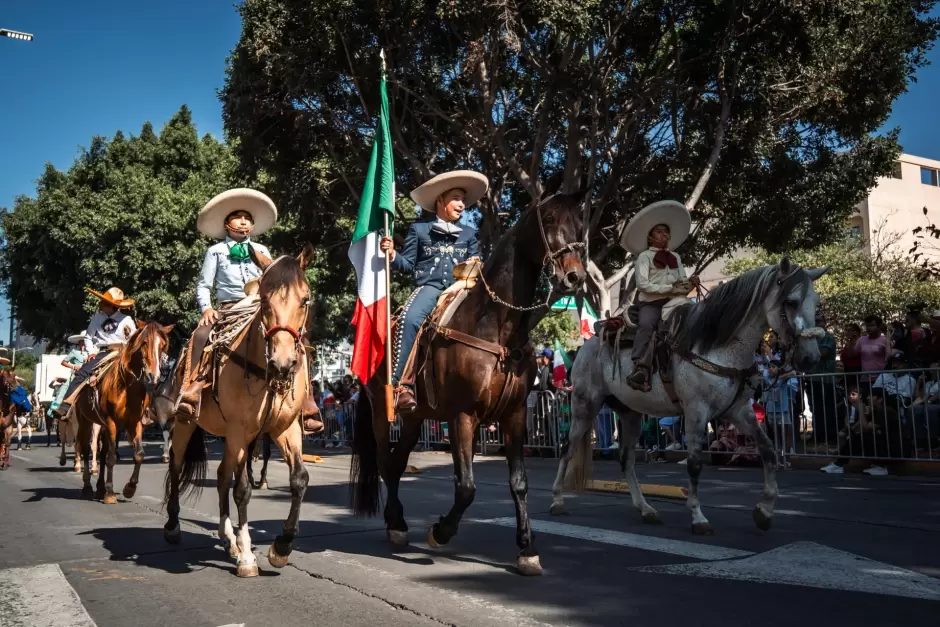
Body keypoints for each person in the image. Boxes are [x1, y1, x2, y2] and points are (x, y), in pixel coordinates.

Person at [177, 189, 322, 432]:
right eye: (238, 217)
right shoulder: (215, 251)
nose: (243, 221)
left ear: (252, 225)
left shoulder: (262, 250)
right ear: (227, 223)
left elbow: (275, 282)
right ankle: (193, 388)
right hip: (228, 308)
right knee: (202, 335)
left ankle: (306, 399)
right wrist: (207, 308)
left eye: (247, 218)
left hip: (258, 304)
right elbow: (203, 285)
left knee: (299, 338)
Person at [380, 170, 488, 413]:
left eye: (463, 199)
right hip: (430, 288)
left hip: (462, 288)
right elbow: (408, 265)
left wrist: (475, 263)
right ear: (440, 200)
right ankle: (401, 386)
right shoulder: (419, 230)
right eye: (456, 198)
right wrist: (392, 254)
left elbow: (476, 263)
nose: (461, 204)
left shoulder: (469, 233)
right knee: (408, 320)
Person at [619, 200, 699, 391]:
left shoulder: (675, 257)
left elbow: (681, 283)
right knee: (647, 325)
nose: (665, 235)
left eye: (666, 232)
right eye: (660, 231)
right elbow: (643, 285)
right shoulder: (644, 257)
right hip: (651, 304)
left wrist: (689, 284)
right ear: (650, 237)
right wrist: (671, 289)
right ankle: (640, 367)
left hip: (676, 302)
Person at [56, 287, 137, 417]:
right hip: (104, 353)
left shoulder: (126, 320)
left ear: (112, 306)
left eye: (104, 302)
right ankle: (66, 404)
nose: (100, 304)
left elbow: (134, 340)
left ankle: (148, 408)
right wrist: (91, 352)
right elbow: (88, 337)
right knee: (81, 373)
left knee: (143, 374)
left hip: (123, 353)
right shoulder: (97, 317)